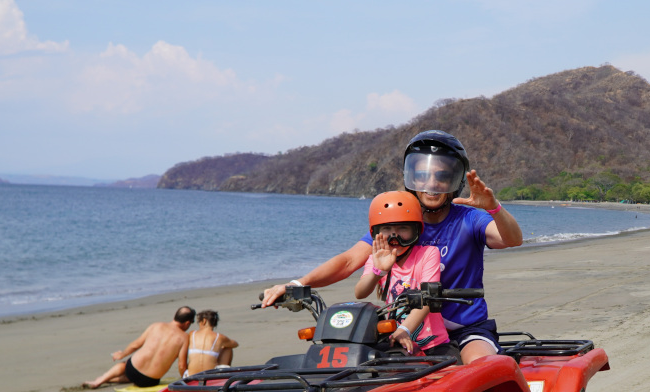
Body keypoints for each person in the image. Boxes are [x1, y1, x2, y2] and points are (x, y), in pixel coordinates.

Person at [260, 130, 523, 363]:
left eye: (442, 176)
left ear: (455, 180)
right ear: (411, 177)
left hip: (465, 328)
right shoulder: (401, 223)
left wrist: (493, 208)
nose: (432, 183)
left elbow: (511, 239)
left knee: (480, 366)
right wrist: (297, 283)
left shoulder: (468, 218)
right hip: (405, 329)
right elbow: (349, 261)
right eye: (422, 175)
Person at [353, 191, 457, 358]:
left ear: (416, 230)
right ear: (376, 232)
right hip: (396, 341)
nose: (395, 236)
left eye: (403, 228)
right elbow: (360, 292)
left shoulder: (428, 253)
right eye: (387, 229)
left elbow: (428, 298)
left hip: (433, 343)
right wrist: (379, 271)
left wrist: (404, 329)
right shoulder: (376, 258)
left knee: (451, 370)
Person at [82, 306, 194, 389]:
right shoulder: (184, 338)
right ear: (187, 323)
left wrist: (122, 354)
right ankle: (108, 380)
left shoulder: (156, 326)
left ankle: (99, 380)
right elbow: (181, 365)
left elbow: (136, 345)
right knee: (134, 378)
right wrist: (186, 380)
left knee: (123, 366)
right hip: (150, 381)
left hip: (132, 370)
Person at [178, 309, 239, 377]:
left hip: (191, 376)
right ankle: (224, 376)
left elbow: (181, 366)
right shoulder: (219, 337)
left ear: (204, 321)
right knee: (228, 348)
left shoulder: (192, 334)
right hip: (211, 377)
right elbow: (235, 344)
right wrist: (221, 346)